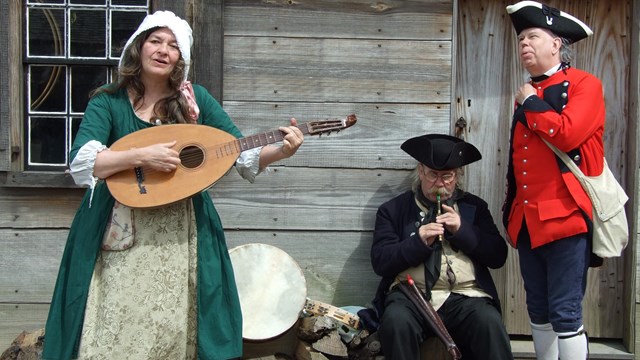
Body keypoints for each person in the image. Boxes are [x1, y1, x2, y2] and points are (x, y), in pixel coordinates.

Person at [42, 10, 304, 360]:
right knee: (121, 316)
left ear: (182, 58)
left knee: (173, 320)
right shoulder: (109, 99)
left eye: (173, 46)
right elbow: (84, 163)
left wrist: (281, 152)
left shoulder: (195, 100)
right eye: (155, 41)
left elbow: (240, 153)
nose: (163, 50)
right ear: (139, 47)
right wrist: (141, 156)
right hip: (120, 228)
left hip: (183, 230)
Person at [502, 1, 605, 359]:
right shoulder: (529, 93)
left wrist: (531, 104)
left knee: (565, 313)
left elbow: (568, 135)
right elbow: (519, 165)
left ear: (556, 45)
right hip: (529, 222)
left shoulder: (585, 85)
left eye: (533, 36)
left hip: (566, 218)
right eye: (521, 40)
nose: (524, 44)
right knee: (539, 312)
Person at [370, 134, 513, 360]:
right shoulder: (394, 210)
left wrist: (462, 230)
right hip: (413, 296)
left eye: (447, 176)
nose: (439, 183)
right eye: (433, 175)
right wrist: (416, 242)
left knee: (489, 323)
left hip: (466, 296)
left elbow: (497, 256)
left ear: (457, 176)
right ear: (420, 171)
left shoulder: (474, 207)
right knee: (396, 322)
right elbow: (380, 261)